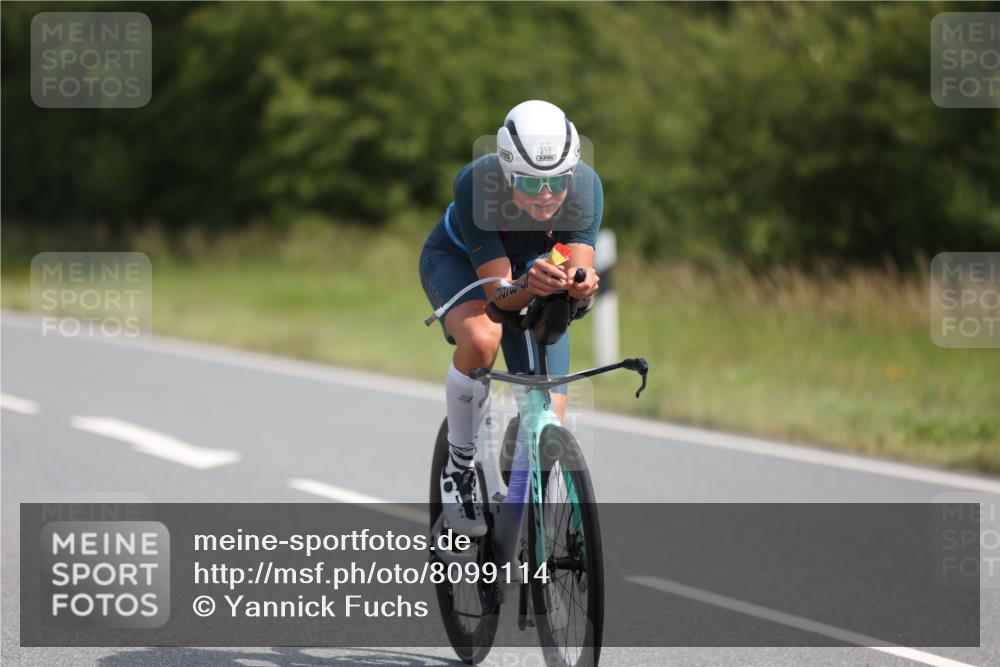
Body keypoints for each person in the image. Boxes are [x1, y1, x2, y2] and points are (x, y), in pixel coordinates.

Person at [419, 100, 603, 537]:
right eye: (529, 181)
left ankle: (515, 498)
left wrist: (581, 290)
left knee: (549, 415)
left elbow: (577, 275)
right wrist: (529, 284)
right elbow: (499, 299)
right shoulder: (475, 183)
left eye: (557, 180)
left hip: (533, 271)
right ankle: (459, 468)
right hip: (463, 263)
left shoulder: (585, 186)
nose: (545, 195)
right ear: (505, 173)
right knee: (482, 339)